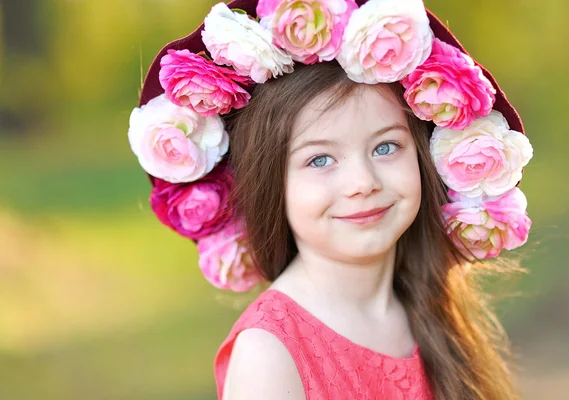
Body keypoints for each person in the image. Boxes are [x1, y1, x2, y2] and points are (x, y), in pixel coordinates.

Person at [128, 0, 534, 398]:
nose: (362, 182)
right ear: (271, 183)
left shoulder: (432, 306)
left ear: (424, 155)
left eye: (386, 147)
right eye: (320, 159)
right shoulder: (269, 356)